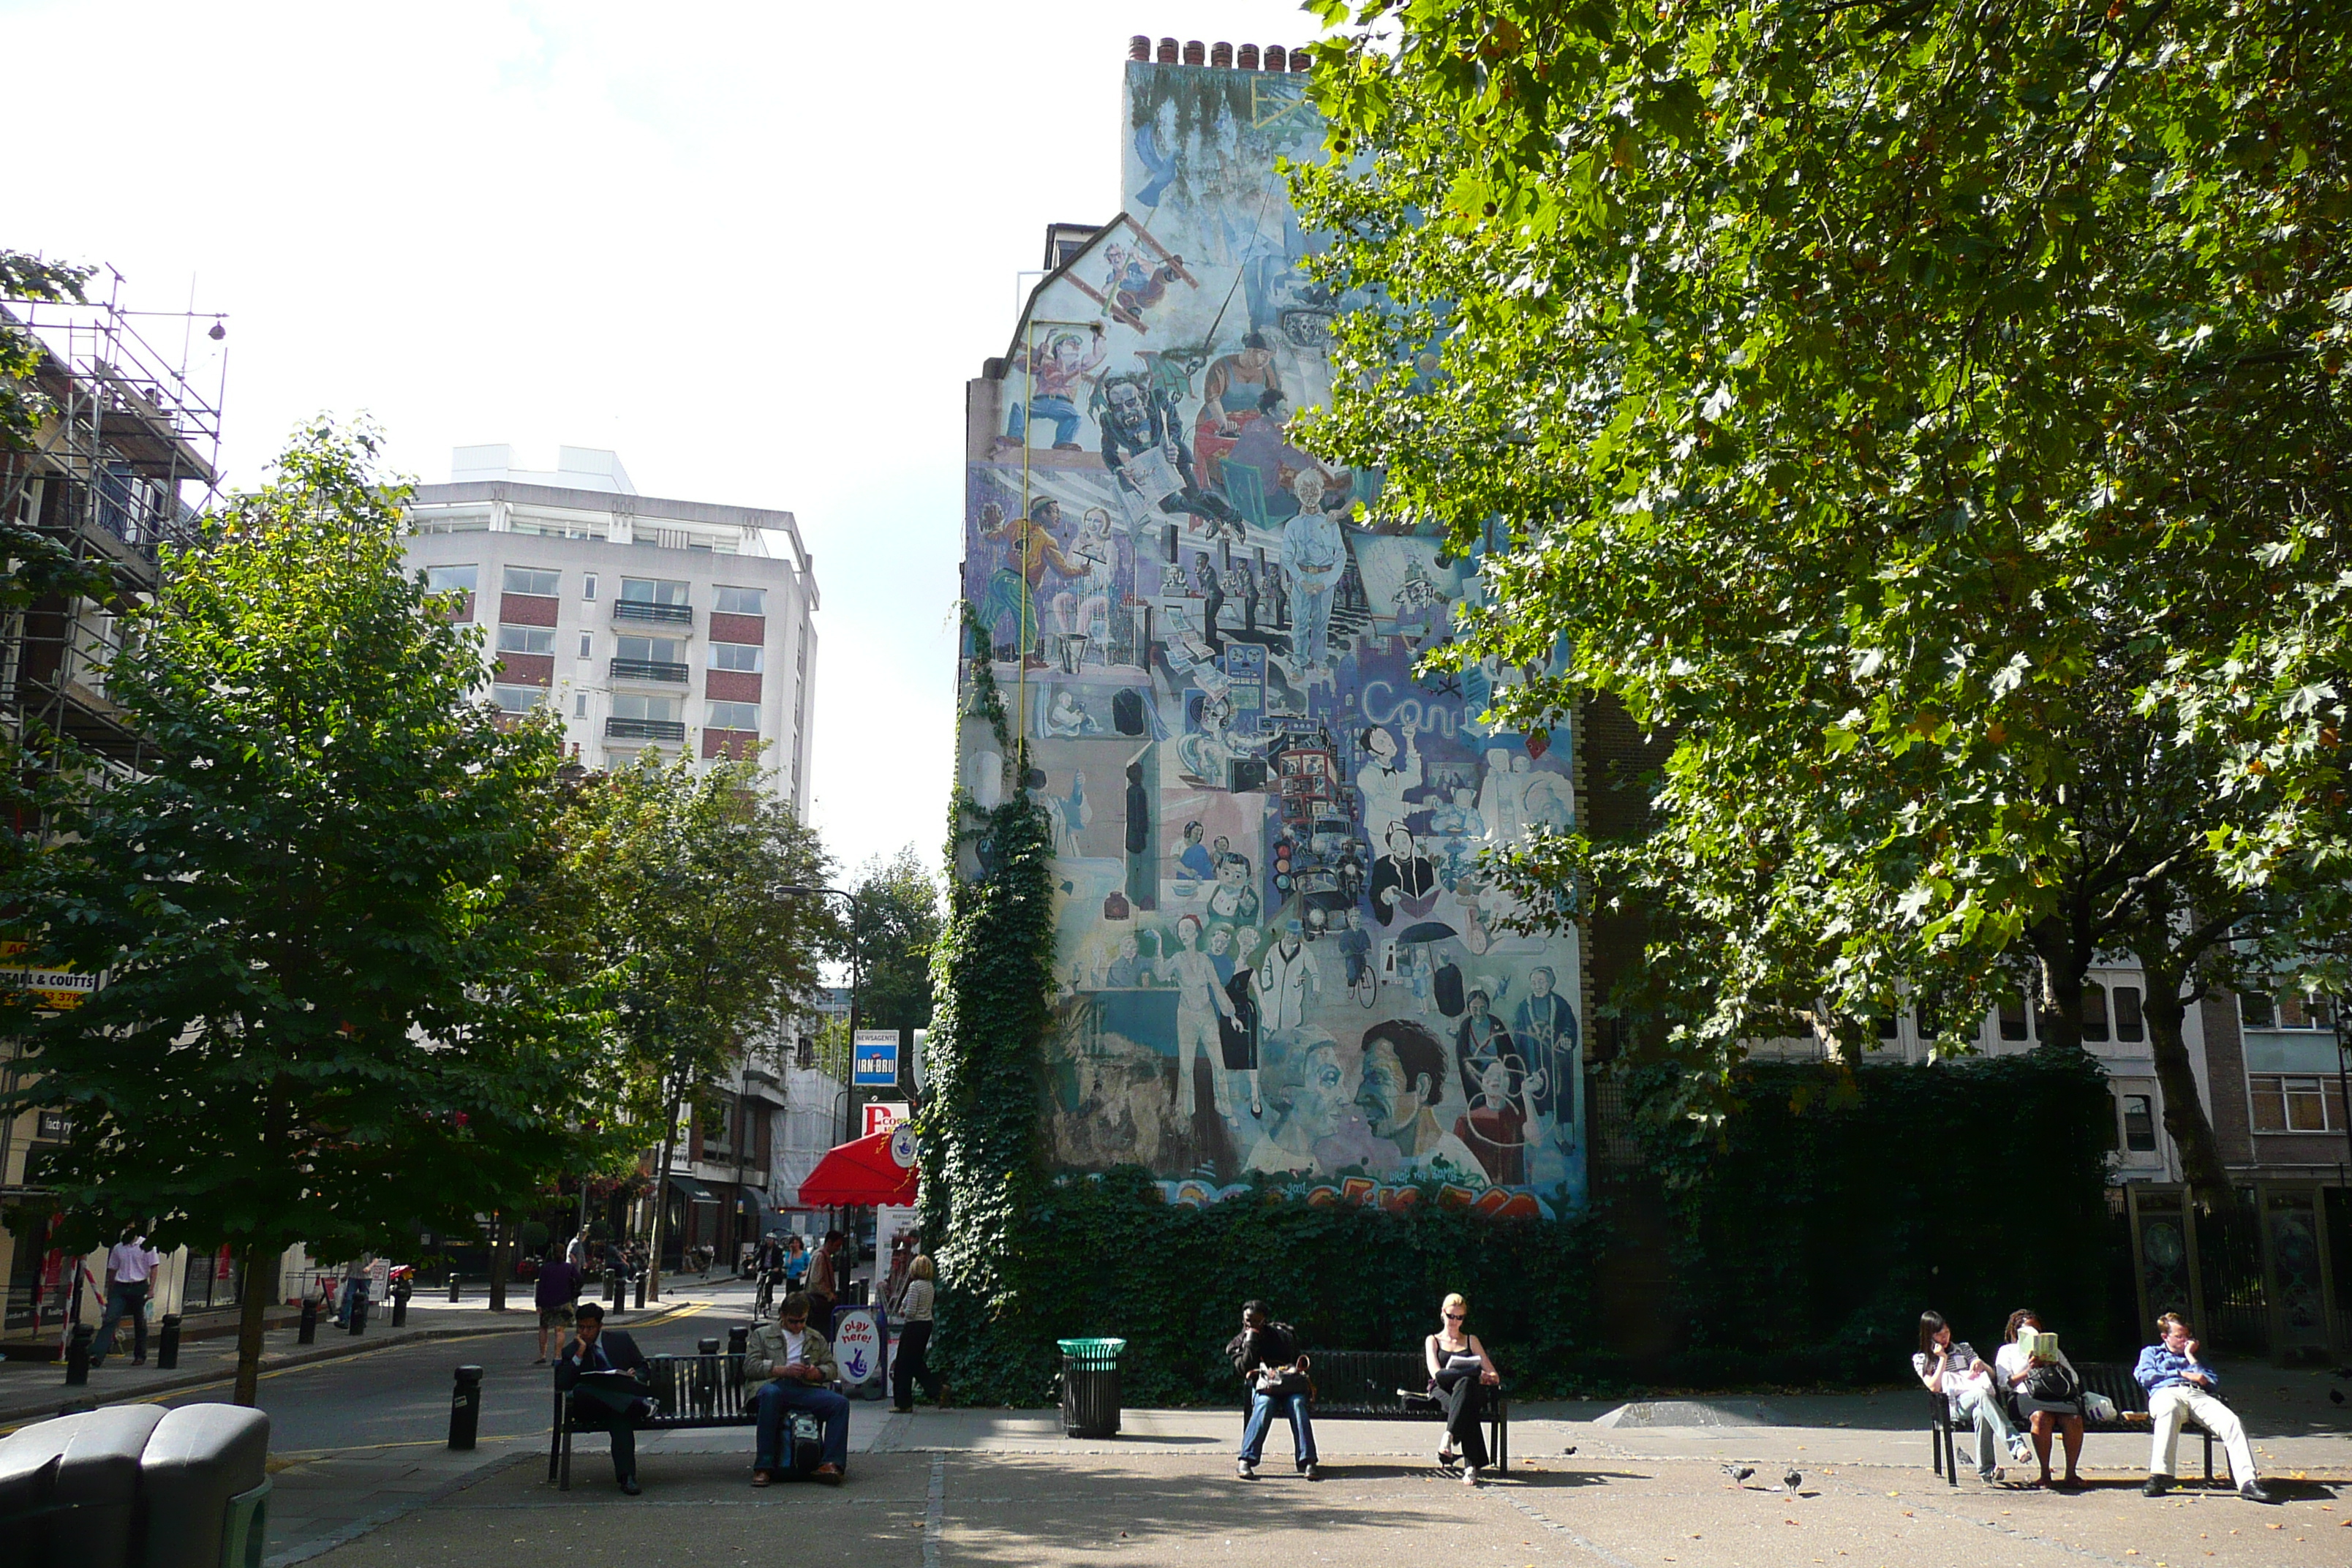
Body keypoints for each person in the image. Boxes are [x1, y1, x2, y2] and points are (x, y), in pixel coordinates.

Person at [2134, 1312, 2273, 1502]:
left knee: (2231, 1422)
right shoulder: (2152, 1353)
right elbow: (2144, 1376)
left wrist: (2191, 1358)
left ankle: (2248, 1482)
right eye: (2179, 1336)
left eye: (2187, 1336)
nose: (2185, 1340)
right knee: (2169, 1410)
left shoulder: (2196, 1355)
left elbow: (2213, 1383)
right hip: (2166, 1393)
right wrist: (2183, 1373)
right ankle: (2159, 1476)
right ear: (2165, 1337)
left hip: (2197, 1395)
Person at [1913, 1310, 2027, 1482]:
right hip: (1952, 1405)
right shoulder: (1922, 1358)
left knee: (1981, 1413)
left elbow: (1992, 1376)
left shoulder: (1963, 1348)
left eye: (1947, 1332)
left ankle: (1987, 1471)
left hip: (1978, 1399)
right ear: (1929, 1336)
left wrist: (1980, 1364)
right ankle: (2016, 1445)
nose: (1945, 1338)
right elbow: (1934, 1387)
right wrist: (1942, 1359)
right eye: (1940, 1335)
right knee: (1981, 1396)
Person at [746, 1292, 848, 1484]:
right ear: (783, 1315)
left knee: (839, 1404)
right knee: (771, 1395)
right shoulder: (763, 1335)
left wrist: (816, 1372)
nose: (798, 1326)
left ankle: (831, 1463)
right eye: (793, 1321)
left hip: (804, 1387)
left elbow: (832, 1367)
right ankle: (763, 1467)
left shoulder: (815, 1338)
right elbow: (750, 1367)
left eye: (802, 1321)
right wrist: (781, 1370)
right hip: (773, 1385)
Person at [554, 1303, 653, 1494]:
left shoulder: (620, 1340)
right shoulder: (571, 1350)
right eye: (581, 1327)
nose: (584, 1332)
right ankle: (639, 1405)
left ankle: (628, 1478)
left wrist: (636, 1374)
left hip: (616, 1406)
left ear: (600, 1326)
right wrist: (579, 1355)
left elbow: (643, 1368)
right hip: (588, 1408)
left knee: (619, 1418)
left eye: (589, 1328)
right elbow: (563, 1384)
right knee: (582, 1389)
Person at [1994, 1308, 2086, 1488]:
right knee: (2041, 1417)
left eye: (2037, 1330)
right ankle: (2045, 1473)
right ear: (2017, 1333)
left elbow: (2074, 1378)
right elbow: (2005, 1383)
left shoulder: (2054, 1351)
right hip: (2025, 1394)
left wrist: (2055, 1364)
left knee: (2074, 1418)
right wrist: (2029, 1369)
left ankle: (2071, 1473)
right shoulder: (2007, 1351)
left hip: (2055, 1395)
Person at [1228, 1300, 1317, 1480]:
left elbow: (1294, 1358)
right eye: (1247, 1320)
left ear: (1264, 1320)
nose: (1250, 1324)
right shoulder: (1240, 1341)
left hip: (1289, 1385)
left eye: (1255, 1321)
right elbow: (1244, 1369)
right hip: (1265, 1388)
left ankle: (1308, 1461)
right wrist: (1251, 1341)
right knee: (1264, 1404)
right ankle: (1246, 1459)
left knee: (1298, 1404)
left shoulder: (1280, 1335)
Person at [1426, 1292, 1501, 1485]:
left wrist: (1483, 1376)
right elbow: (1438, 1375)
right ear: (1443, 1313)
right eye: (1451, 1316)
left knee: (1466, 1385)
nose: (1454, 1321)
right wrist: (1472, 1372)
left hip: (1469, 1391)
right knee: (1466, 1403)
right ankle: (1470, 1468)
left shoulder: (1471, 1340)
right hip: (1443, 1390)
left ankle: (1449, 1436)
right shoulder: (1433, 1340)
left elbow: (1494, 1375)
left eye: (1459, 1318)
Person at [91, 1225, 162, 1368]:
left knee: (140, 1322)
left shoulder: (146, 1245)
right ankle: (97, 1355)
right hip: (121, 1287)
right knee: (110, 1319)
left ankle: (140, 1355)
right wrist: (111, 1292)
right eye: (125, 1227)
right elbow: (112, 1270)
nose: (127, 1230)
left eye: (130, 1227)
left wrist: (151, 1289)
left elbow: (154, 1267)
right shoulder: (118, 1248)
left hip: (139, 1286)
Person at [892, 1256, 945, 1412]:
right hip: (926, 1325)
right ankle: (937, 1389)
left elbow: (911, 1311)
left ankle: (904, 1403)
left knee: (903, 1365)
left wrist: (903, 1312)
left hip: (914, 1326)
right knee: (914, 1362)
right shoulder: (929, 1286)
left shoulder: (915, 1286)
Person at [535, 1246, 584, 1365]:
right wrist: (574, 1292)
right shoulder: (569, 1268)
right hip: (564, 1302)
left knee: (543, 1327)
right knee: (560, 1330)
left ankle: (542, 1355)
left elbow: (540, 1287)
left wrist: (538, 1304)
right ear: (563, 1254)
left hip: (547, 1303)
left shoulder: (546, 1268)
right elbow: (580, 1280)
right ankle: (557, 1357)